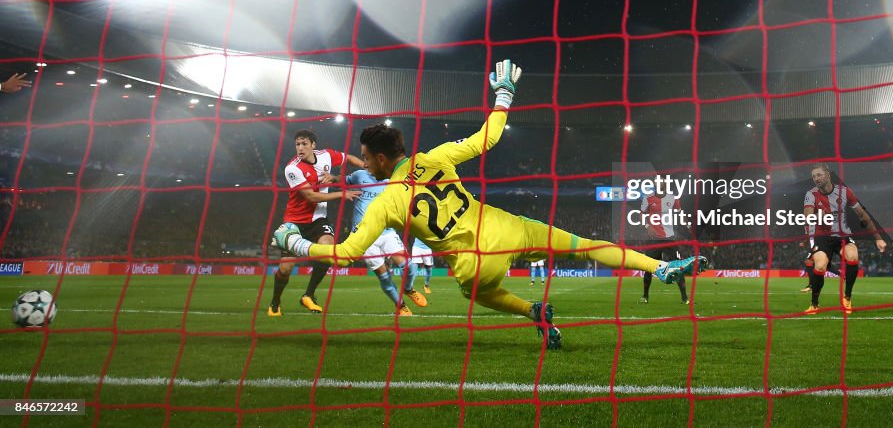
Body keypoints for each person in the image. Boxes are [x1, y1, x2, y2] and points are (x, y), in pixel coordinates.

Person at [273, 60, 704, 349]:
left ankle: (532, 311)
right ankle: (659, 268)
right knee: (586, 244)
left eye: (366, 158)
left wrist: (295, 244)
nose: (364, 164)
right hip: (509, 227)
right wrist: (503, 95)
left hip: (476, 260)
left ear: (382, 159)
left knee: (477, 292)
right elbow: (489, 137)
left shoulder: (388, 200)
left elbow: (348, 253)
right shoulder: (435, 157)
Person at [268, 129, 363, 317]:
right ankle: (275, 302)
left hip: (318, 219)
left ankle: (308, 295)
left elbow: (349, 158)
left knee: (328, 250)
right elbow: (310, 196)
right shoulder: (292, 168)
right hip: (295, 222)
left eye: (304, 144)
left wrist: (366, 168)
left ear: (313, 145)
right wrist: (340, 193)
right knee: (286, 269)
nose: (300, 148)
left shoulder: (326, 156)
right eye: (297, 144)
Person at [336, 165, 427, 315]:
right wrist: (332, 178)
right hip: (363, 236)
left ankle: (408, 289)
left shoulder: (392, 179)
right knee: (384, 275)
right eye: (364, 158)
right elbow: (344, 180)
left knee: (410, 267)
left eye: (368, 158)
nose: (365, 162)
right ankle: (401, 306)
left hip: (386, 232)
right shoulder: (359, 175)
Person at [803, 162, 887, 314]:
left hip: (842, 235)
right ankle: (814, 303)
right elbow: (807, 216)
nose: (816, 178)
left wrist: (878, 238)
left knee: (853, 256)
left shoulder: (845, 192)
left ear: (828, 175)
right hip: (822, 236)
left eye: (819, 175)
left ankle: (847, 297)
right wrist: (818, 215)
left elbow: (862, 215)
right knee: (820, 266)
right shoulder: (811, 194)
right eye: (814, 176)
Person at [637, 193, 690, 305]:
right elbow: (641, 214)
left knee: (677, 268)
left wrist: (688, 225)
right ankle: (645, 296)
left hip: (669, 239)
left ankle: (685, 298)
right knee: (648, 268)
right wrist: (647, 226)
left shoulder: (673, 198)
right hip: (654, 240)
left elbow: (680, 212)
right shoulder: (648, 198)